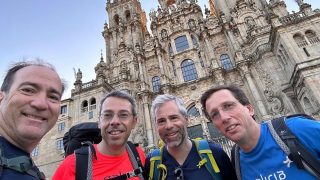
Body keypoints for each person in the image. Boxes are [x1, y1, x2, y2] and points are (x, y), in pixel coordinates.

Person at [200, 85, 320, 180]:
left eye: (228, 106)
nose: (224, 117)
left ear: (249, 109)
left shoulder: (298, 129)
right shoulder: (236, 162)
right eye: (215, 114)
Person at [53, 90, 146, 180]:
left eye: (123, 115)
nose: (115, 122)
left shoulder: (138, 155)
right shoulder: (72, 165)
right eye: (108, 115)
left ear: (134, 122)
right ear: (99, 122)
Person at [145, 94, 237, 179]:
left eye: (174, 117)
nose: (168, 126)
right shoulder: (151, 163)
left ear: (186, 120)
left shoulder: (215, 153)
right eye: (161, 121)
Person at [0, 60, 65, 179]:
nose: (41, 104)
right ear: (1, 98)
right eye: (28, 90)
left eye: (53, 97)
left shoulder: (27, 168)